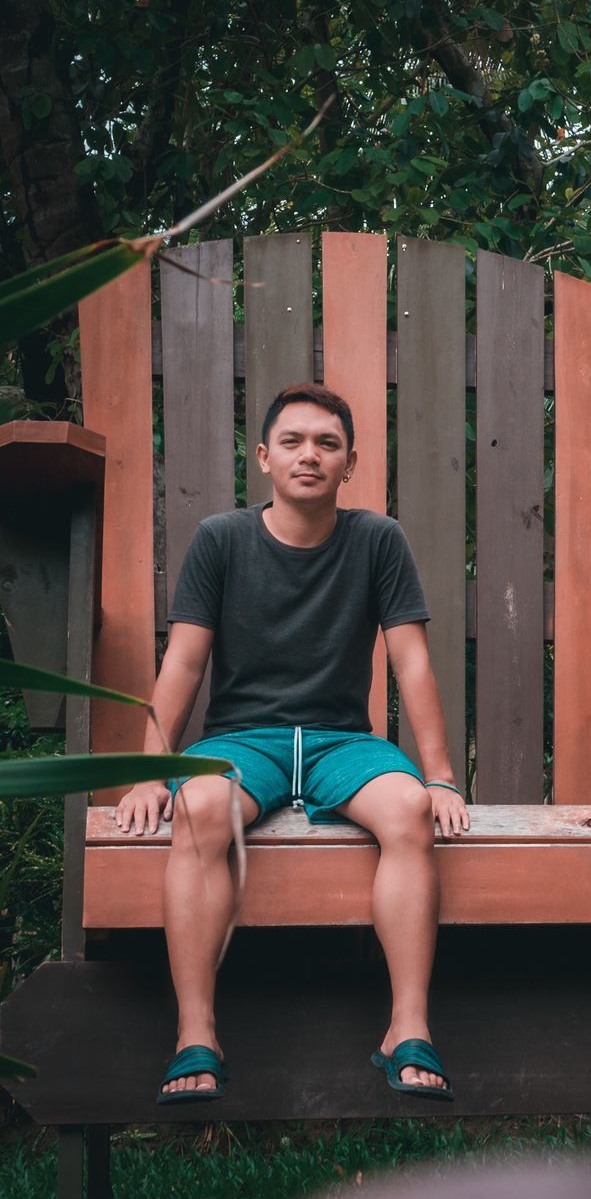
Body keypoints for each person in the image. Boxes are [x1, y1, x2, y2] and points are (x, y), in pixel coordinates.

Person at [114, 382, 467, 1104]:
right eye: (296, 442)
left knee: (406, 813)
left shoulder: (377, 540)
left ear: (350, 463)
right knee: (199, 810)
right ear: (265, 457)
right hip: (246, 741)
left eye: (328, 444)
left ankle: (406, 1027)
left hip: (344, 743)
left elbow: (413, 664)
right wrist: (151, 770)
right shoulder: (222, 539)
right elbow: (182, 663)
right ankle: (196, 1034)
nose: (312, 455)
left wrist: (440, 776)